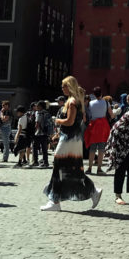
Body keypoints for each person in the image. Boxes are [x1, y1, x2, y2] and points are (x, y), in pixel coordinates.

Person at [42, 76, 101, 212]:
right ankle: (92, 191)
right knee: (72, 169)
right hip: (73, 139)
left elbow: (70, 121)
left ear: (69, 86)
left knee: (59, 167)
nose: (62, 88)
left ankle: (55, 201)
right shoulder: (77, 101)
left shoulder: (72, 102)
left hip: (68, 139)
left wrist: (57, 120)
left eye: (64, 86)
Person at [84, 88, 111, 175]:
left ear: (94, 94)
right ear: (101, 93)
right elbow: (112, 114)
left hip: (93, 126)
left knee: (92, 149)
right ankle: (99, 168)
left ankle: (89, 168)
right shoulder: (107, 102)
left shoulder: (90, 103)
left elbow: (87, 115)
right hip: (103, 126)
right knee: (101, 149)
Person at [32, 100, 53, 168]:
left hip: (39, 133)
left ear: (40, 106)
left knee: (35, 148)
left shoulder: (38, 113)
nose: (36, 107)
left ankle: (35, 161)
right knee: (44, 149)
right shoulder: (47, 113)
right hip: (45, 133)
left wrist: (34, 130)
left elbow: (37, 123)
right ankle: (45, 162)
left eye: (37, 105)